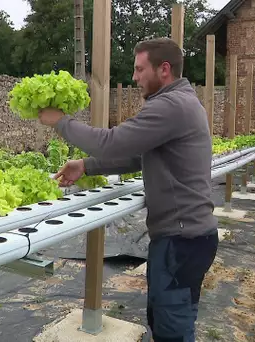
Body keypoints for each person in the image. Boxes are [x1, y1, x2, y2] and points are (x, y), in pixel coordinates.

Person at [37, 37, 219, 342]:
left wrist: (62, 122)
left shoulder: (171, 105)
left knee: (172, 330)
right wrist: (87, 166)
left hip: (181, 241)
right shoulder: (182, 102)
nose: (134, 77)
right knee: (167, 321)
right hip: (187, 238)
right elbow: (138, 154)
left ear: (164, 69)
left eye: (139, 69)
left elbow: (112, 142)